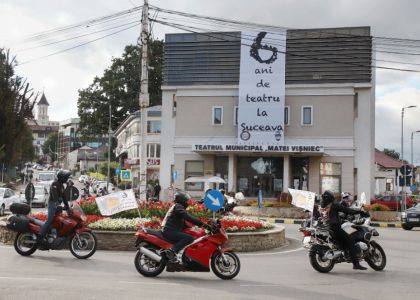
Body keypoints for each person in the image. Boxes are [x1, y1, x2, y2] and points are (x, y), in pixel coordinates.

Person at [320, 190, 367, 271]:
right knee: (351, 241)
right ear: (331, 198)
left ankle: (344, 253)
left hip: (326, 228)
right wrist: (359, 211)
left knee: (343, 241)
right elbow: (347, 210)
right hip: (335, 228)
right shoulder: (334, 205)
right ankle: (356, 264)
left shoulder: (321, 206)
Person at [161, 192, 208, 263]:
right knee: (189, 238)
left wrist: (195, 227)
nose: (187, 202)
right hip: (169, 230)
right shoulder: (178, 206)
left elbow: (182, 223)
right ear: (181, 200)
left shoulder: (177, 206)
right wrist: (201, 224)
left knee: (190, 235)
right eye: (186, 200)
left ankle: (180, 254)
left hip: (169, 229)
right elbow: (186, 216)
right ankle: (172, 251)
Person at [37, 170, 72, 247]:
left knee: (58, 220)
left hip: (57, 205)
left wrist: (67, 206)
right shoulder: (54, 184)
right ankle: (40, 236)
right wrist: (57, 201)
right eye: (65, 177)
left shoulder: (62, 186)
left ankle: (52, 236)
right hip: (52, 204)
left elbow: (64, 197)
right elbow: (54, 194)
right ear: (62, 177)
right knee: (50, 220)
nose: (66, 179)